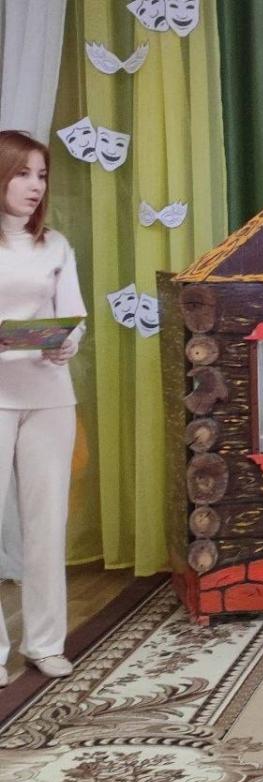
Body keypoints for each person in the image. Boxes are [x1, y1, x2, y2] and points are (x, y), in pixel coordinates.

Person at [0, 130, 87, 687]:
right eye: (22, 173)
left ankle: (46, 644)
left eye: (42, 175)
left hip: (50, 398)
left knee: (47, 524)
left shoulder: (55, 245)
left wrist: (67, 342)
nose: (35, 185)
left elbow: (73, 316)